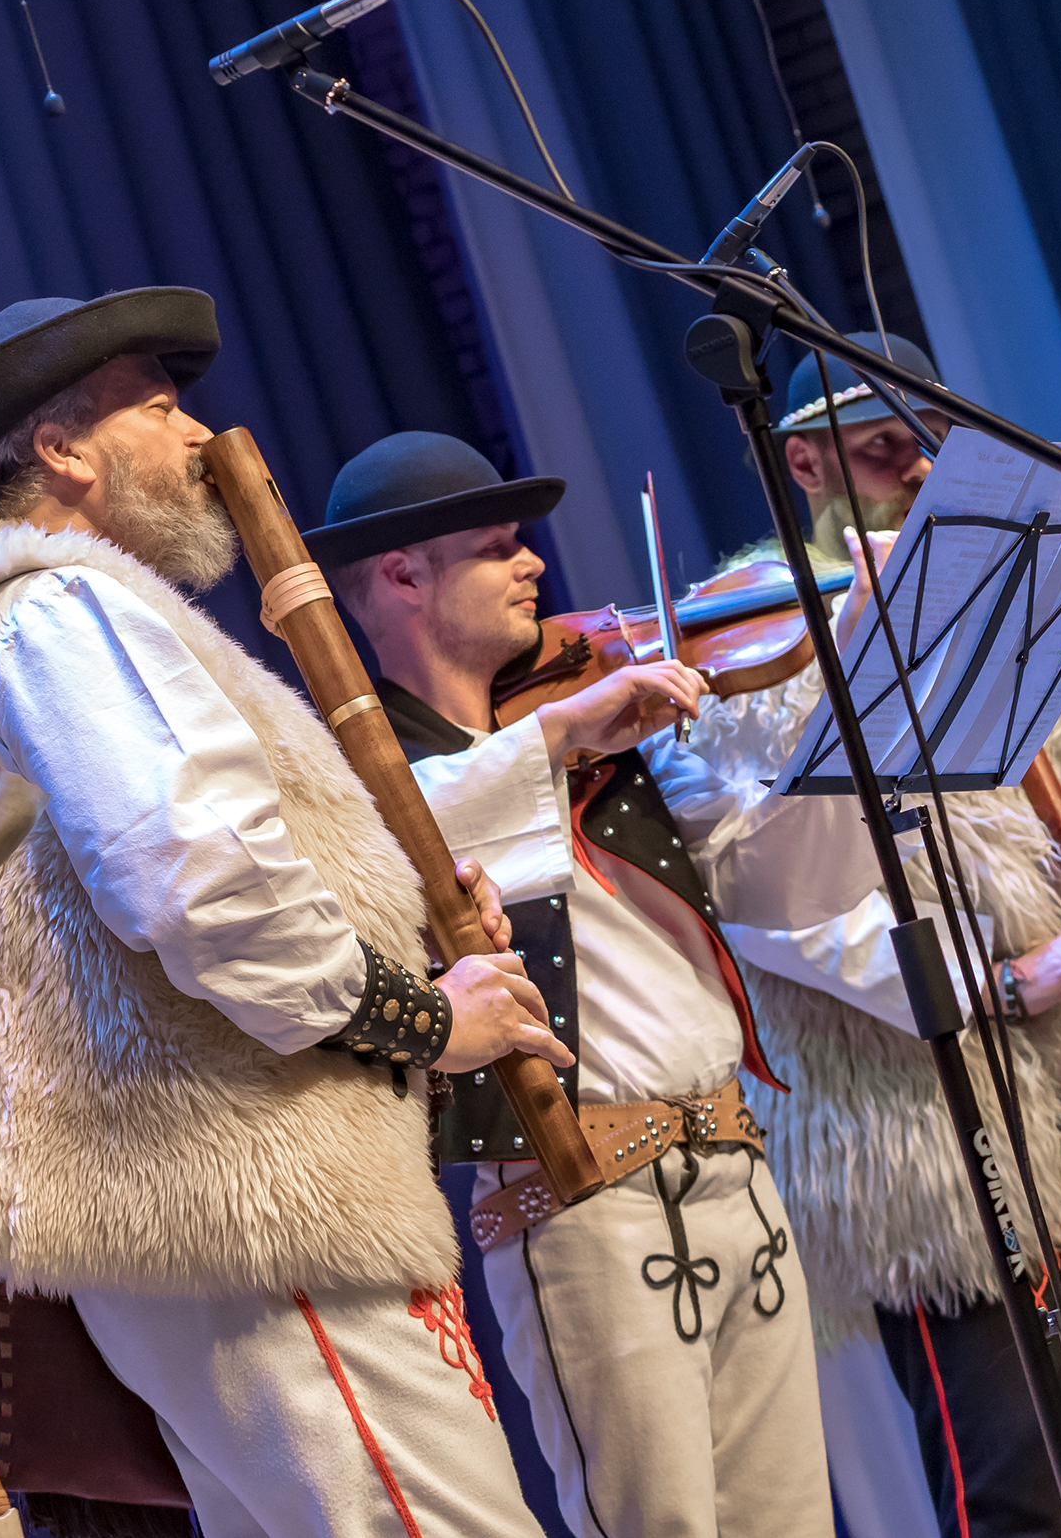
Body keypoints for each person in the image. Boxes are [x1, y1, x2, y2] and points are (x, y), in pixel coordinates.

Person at [0, 289, 709, 1538]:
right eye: (161, 408)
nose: (196, 436)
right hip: (246, 1193)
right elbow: (196, 880)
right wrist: (427, 1015)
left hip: (212, 1203)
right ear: (62, 449)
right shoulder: (60, 606)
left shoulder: (25, 617)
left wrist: (397, 918)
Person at [685, 337, 1061, 1538]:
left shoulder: (1005, 597)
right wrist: (1000, 977)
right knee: (1019, 1490)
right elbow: (765, 898)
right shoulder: (763, 642)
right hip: (941, 1122)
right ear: (805, 463)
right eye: (884, 449)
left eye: (930, 444)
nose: (921, 471)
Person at [311, 430, 883, 1537]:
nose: (534, 563)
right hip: (582, 1199)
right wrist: (555, 736)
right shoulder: (364, 776)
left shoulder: (599, 731)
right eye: (496, 547)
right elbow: (391, 840)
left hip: (732, 1159)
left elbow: (773, 881)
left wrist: (849, 694)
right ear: (403, 575)